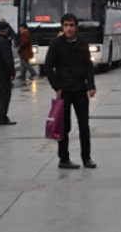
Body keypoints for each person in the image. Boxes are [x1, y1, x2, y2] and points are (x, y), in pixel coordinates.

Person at [45, 14, 96, 169]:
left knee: (84, 125)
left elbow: (88, 65)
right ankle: (64, 159)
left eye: (71, 25)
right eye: (66, 25)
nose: (69, 28)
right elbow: (48, 67)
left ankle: (86, 158)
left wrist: (91, 86)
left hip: (80, 90)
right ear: (62, 26)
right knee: (63, 126)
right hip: (64, 91)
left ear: (76, 27)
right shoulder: (56, 43)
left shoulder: (82, 42)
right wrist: (57, 87)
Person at [0, 21, 17, 125]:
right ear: (5, 30)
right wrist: (12, 72)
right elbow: (7, 59)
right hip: (3, 72)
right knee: (4, 95)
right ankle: (2, 117)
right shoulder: (3, 41)